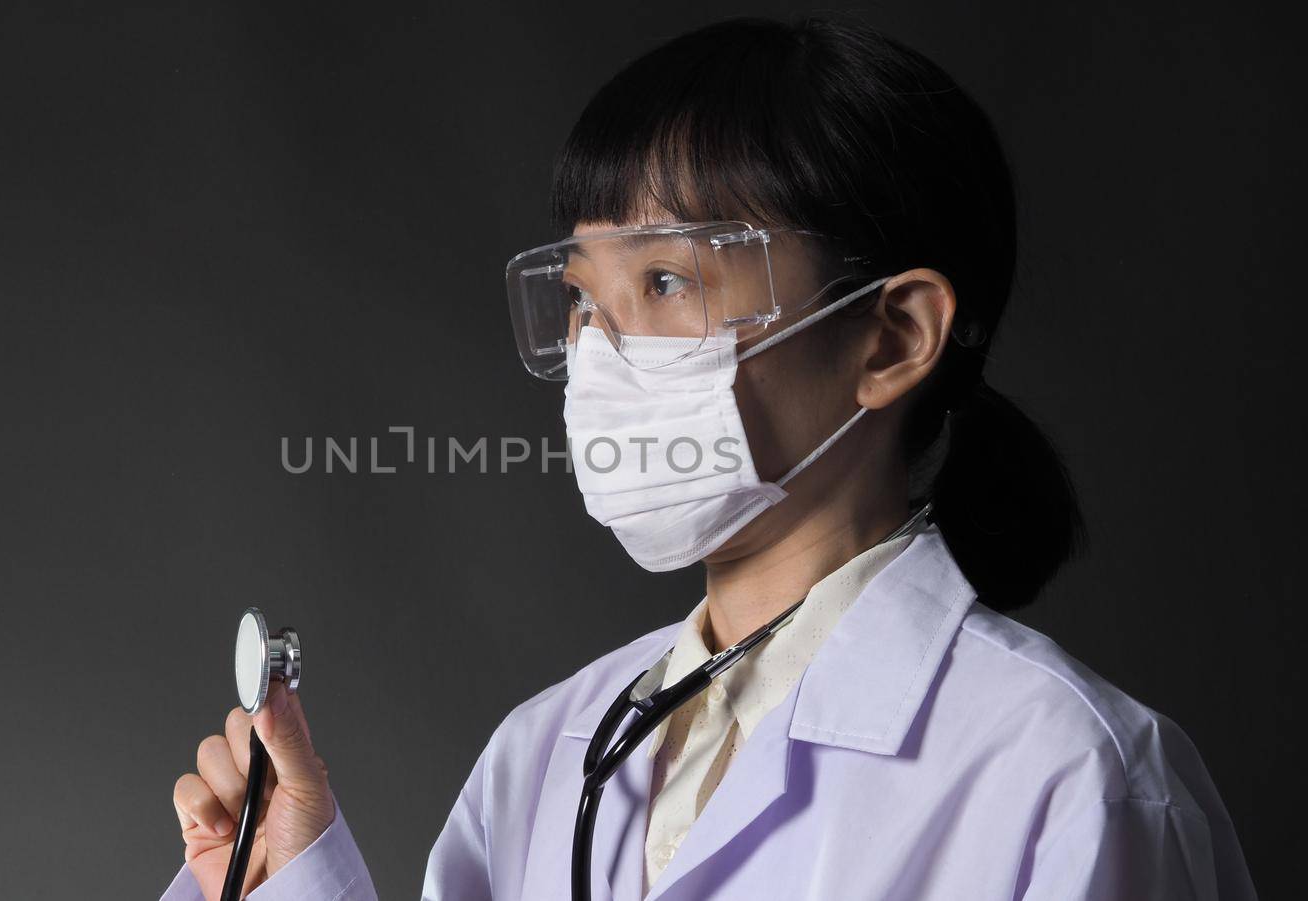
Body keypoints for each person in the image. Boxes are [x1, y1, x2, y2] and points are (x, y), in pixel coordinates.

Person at [161, 17, 1256, 900]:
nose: (601, 355)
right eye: (584, 300)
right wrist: (287, 883)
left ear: (893, 337)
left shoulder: (1071, 776)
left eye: (668, 284)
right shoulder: (546, 750)